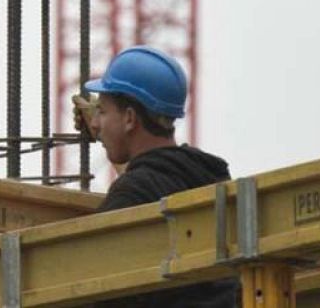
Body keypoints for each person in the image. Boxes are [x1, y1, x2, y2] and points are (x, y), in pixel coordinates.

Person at [73, 46, 240, 308]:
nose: (94, 123)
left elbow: (84, 284)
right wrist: (110, 128)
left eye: (102, 112)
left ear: (130, 119)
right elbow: (152, 177)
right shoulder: (208, 178)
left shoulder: (133, 194)